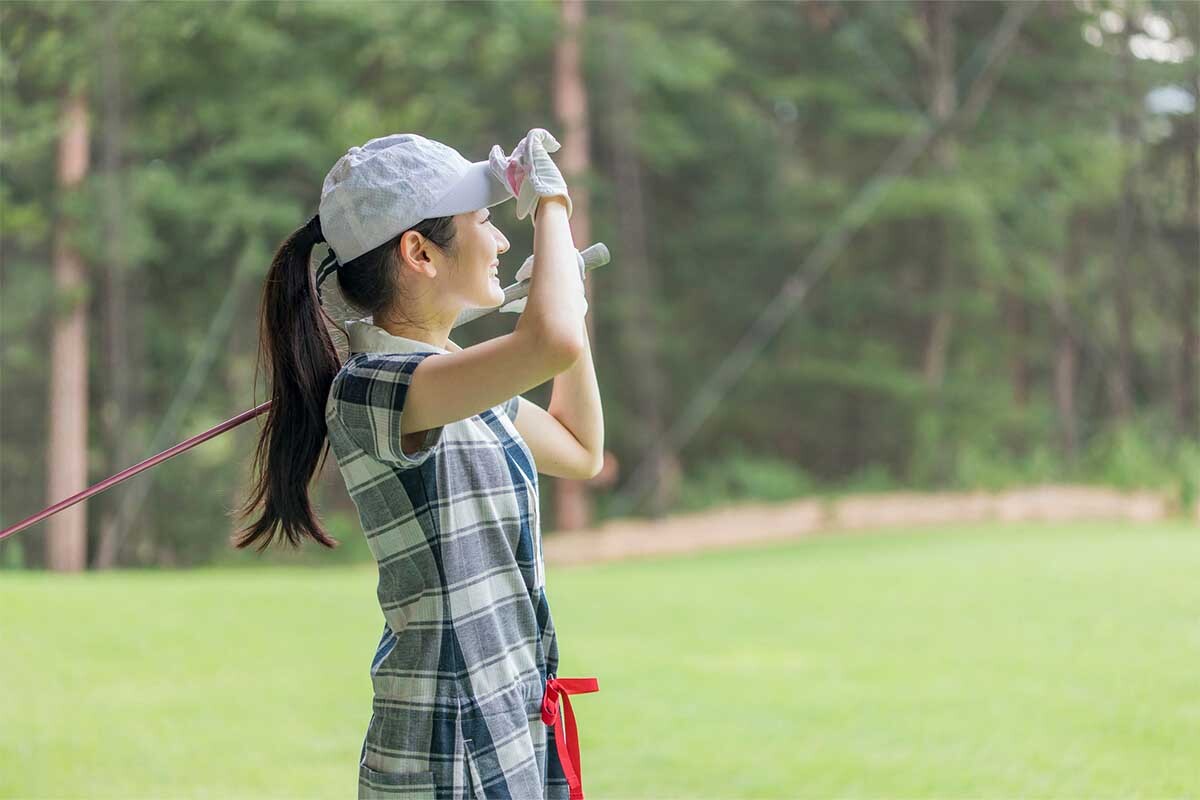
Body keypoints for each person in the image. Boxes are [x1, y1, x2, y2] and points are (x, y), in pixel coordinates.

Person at [233, 130, 601, 799]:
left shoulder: (453, 381)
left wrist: (567, 292)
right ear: (419, 252)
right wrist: (552, 209)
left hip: (510, 722)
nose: (500, 242)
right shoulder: (375, 387)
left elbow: (579, 448)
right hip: (444, 745)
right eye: (486, 223)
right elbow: (548, 342)